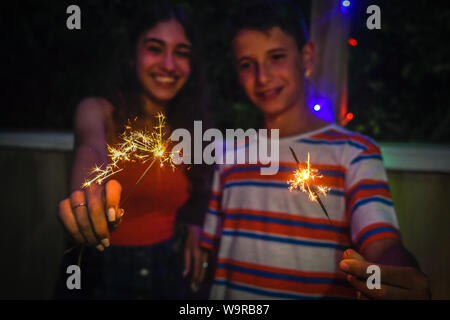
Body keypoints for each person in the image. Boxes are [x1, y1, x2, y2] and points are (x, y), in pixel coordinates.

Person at [192, 0, 431, 299]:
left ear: (306, 57)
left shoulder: (353, 153)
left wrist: (396, 276)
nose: (263, 77)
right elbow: (211, 247)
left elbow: (382, 244)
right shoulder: (229, 156)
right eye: (246, 64)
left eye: (276, 57)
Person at [56, 2, 211, 299]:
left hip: (166, 273)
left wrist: (194, 226)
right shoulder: (99, 112)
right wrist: (88, 197)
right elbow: (92, 149)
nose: (169, 64)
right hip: (100, 274)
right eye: (155, 48)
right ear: (131, 56)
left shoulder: (189, 130)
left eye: (181, 53)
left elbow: (201, 185)